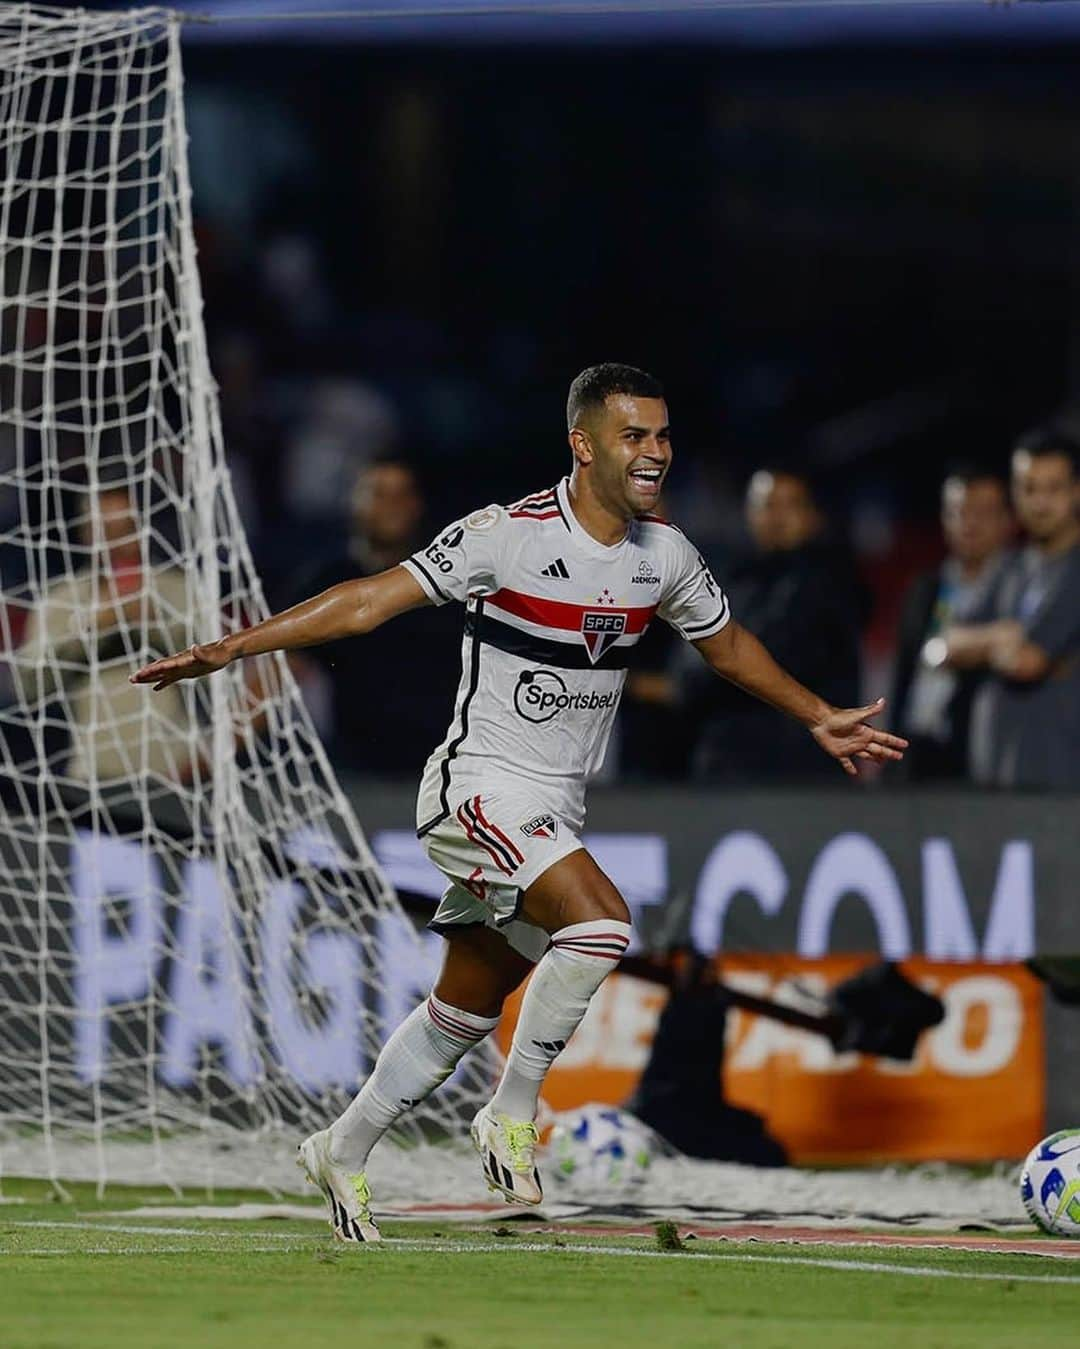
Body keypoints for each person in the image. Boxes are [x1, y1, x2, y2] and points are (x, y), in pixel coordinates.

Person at [131, 363, 906, 1244]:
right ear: (583, 444)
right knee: (602, 924)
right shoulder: (508, 535)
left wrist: (818, 716)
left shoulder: (666, 556)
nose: (654, 453)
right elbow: (366, 604)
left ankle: (341, 1148)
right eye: (634, 436)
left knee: (464, 1008)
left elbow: (726, 647)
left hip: (551, 808)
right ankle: (513, 1111)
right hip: (475, 790)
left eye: (661, 435)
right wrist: (234, 647)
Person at [671, 468, 865, 782]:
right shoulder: (729, 579)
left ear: (814, 516)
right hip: (725, 768)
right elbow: (687, 670)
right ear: (748, 513)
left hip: (803, 774)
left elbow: (762, 656)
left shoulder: (829, 583)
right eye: (767, 505)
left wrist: (713, 667)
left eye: (791, 504)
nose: (777, 517)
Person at [285, 453, 460, 775]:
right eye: (379, 493)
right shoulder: (327, 580)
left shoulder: (452, 581)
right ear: (354, 502)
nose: (392, 505)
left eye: (402, 494)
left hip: (447, 769)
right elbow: (280, 675)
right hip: (356, 771)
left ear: (417, 504)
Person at [17, 486, 193, 784]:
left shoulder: (178, 589)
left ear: (143, 530)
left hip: (178, 773)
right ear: (85, 534)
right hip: (93, 777)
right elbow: (28, 685)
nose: (117, 543)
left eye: (125, 530)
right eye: (105, 530)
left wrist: (155, 622)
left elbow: (219, 664)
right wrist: (91, 627)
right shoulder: (61, 599)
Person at [935, 429, 1080, 789]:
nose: (1040, 502)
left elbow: (1026, 661)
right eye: (1028, 488)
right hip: (997, 782)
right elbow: (942, 646)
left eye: (1053, 488)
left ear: (1077, 490)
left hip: (1064, 786)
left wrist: (984, 648)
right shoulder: (1010, 568)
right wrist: (1000, 638)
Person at [890, 469, 1012, 781]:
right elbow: (903, 676)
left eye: (982, 513)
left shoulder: (1016, 588)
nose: (969, 524)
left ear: (1007, 520)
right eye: (958, 512)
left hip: (979, 757)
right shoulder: (925, 588)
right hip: (917, 752)